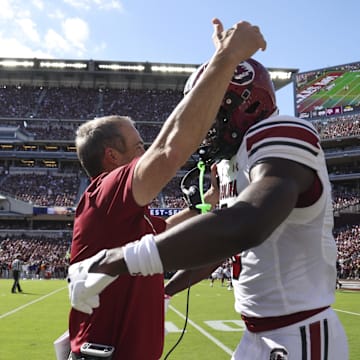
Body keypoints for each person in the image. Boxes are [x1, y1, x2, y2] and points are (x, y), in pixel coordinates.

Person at [68, 56, 349, 359]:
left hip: (298, 332)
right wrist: (170, 288)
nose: (205, 125)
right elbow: (221, 246)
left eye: (212, 109)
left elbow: (246, 224)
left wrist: (120, 260)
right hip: (258, 332)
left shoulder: (279, 133)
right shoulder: (232, 163)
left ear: (244, 105)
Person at [67, 18, 267, 360]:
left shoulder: (123, 216)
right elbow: (169, 151)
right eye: (138, 145)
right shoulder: (105, 192)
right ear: (112, 157)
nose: (144, 153)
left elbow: (166, 230)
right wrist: (228, 57)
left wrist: (202, 206)